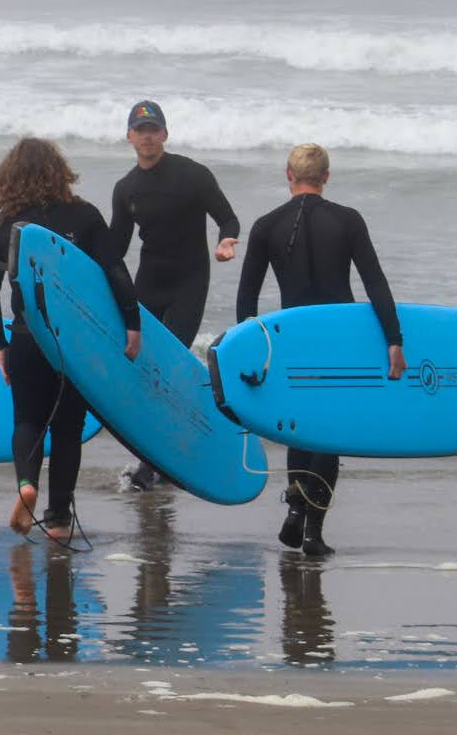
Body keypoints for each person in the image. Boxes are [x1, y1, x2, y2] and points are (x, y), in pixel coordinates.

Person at [235, 143, 405, 556]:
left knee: (299, 425)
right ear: (326, 177)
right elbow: (375, 283)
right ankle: (313, 531)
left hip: (292, 338)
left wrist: (248, 352)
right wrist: (394, 340)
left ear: (288, 175)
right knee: (329, 431)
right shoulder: (347, 221)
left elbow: (247, 299)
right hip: (339, 340)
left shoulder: (265, 226)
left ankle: (294, 509)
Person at [0, 137, 142, 541]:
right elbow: (116, 272)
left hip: (26, 337)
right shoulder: (84, 216)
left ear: (9, 176)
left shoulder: (6, 222)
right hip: (73, 345)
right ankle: (58, 520)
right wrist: (132, 325)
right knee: (68, 429)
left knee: (28, 420)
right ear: (59, 171)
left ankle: (26, 484)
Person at [110, 99, 240, 489]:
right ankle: (162, 452)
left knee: (165, 366)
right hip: (148, 282)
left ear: (164, 134)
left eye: (154, 129)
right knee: (142, 369)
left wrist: (226, 241)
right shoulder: (126, 188)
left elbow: (227, 217)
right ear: (130, 136)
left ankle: (154, 463)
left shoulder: (192, 175)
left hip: (189, 283)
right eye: (141, 130)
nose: (147, 136)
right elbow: (115, 246)